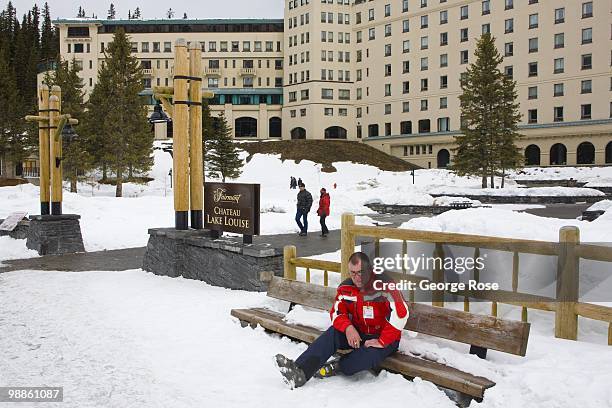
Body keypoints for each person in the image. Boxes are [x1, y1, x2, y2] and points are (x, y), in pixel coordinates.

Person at [275, 252, 409, 389]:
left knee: (367, 357)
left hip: (384, 337)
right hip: (359, 332)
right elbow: (337, 313)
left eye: (360, 272)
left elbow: (401, 313)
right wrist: (348, 328)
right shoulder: (346, 288)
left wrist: (382, 341)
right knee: (333, 333)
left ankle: (339, 365)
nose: (356, 277)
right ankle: (300, 372)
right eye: (353, 273)